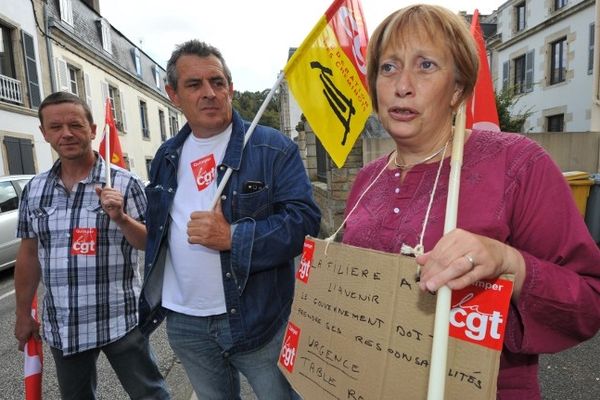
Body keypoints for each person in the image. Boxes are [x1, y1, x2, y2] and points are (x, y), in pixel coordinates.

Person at [342, 5, 600, 399]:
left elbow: (588, 301)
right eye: (389, 67)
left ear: (459, 88)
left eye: (425, 65)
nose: (402, 85)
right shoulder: (366, 178)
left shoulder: (516, 165)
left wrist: (508, 261)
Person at [138, 40, 320, 399]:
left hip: (257, 319)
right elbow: (160, 231)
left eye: (217, 82)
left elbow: (304, 222)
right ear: (173, 94)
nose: (209, 93)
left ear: (230, 89)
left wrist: (233, 237)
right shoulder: (166, 156)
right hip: (185, 323)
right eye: (194, 85)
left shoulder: (271, 148)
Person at [14, 92, 170, 400]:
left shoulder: (126, 184)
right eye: (55, 127)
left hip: (120, 319)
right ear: (44, 133)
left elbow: (151, 245)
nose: (66, 133)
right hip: (64, 324)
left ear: (93, 129)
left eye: (75, 124)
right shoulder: (34, 189)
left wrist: (122, 218)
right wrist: (22, 313)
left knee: (150, 395)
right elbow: (29, 254)